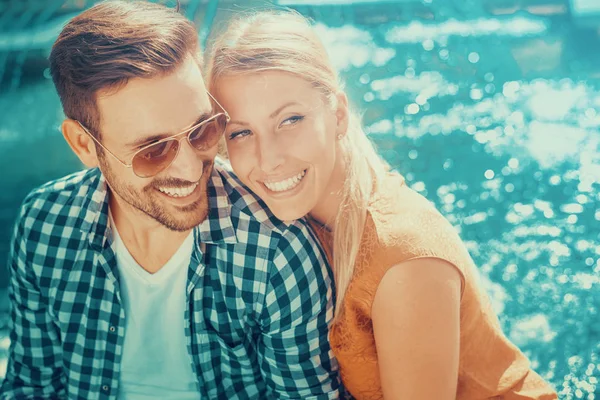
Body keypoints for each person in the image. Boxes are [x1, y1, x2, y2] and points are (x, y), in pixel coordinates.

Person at [206, 10, 559, 400]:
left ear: (338, 115)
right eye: (241, 132)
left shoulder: (402, 263)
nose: (267, 158)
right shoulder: (274, 210)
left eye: (290, 120)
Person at [0, 2, 342, 399]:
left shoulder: (275, 251)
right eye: (153, 150)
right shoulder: (45, 225)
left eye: (202, 130)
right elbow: (31, 386)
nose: (191, 168)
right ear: (84, 146)